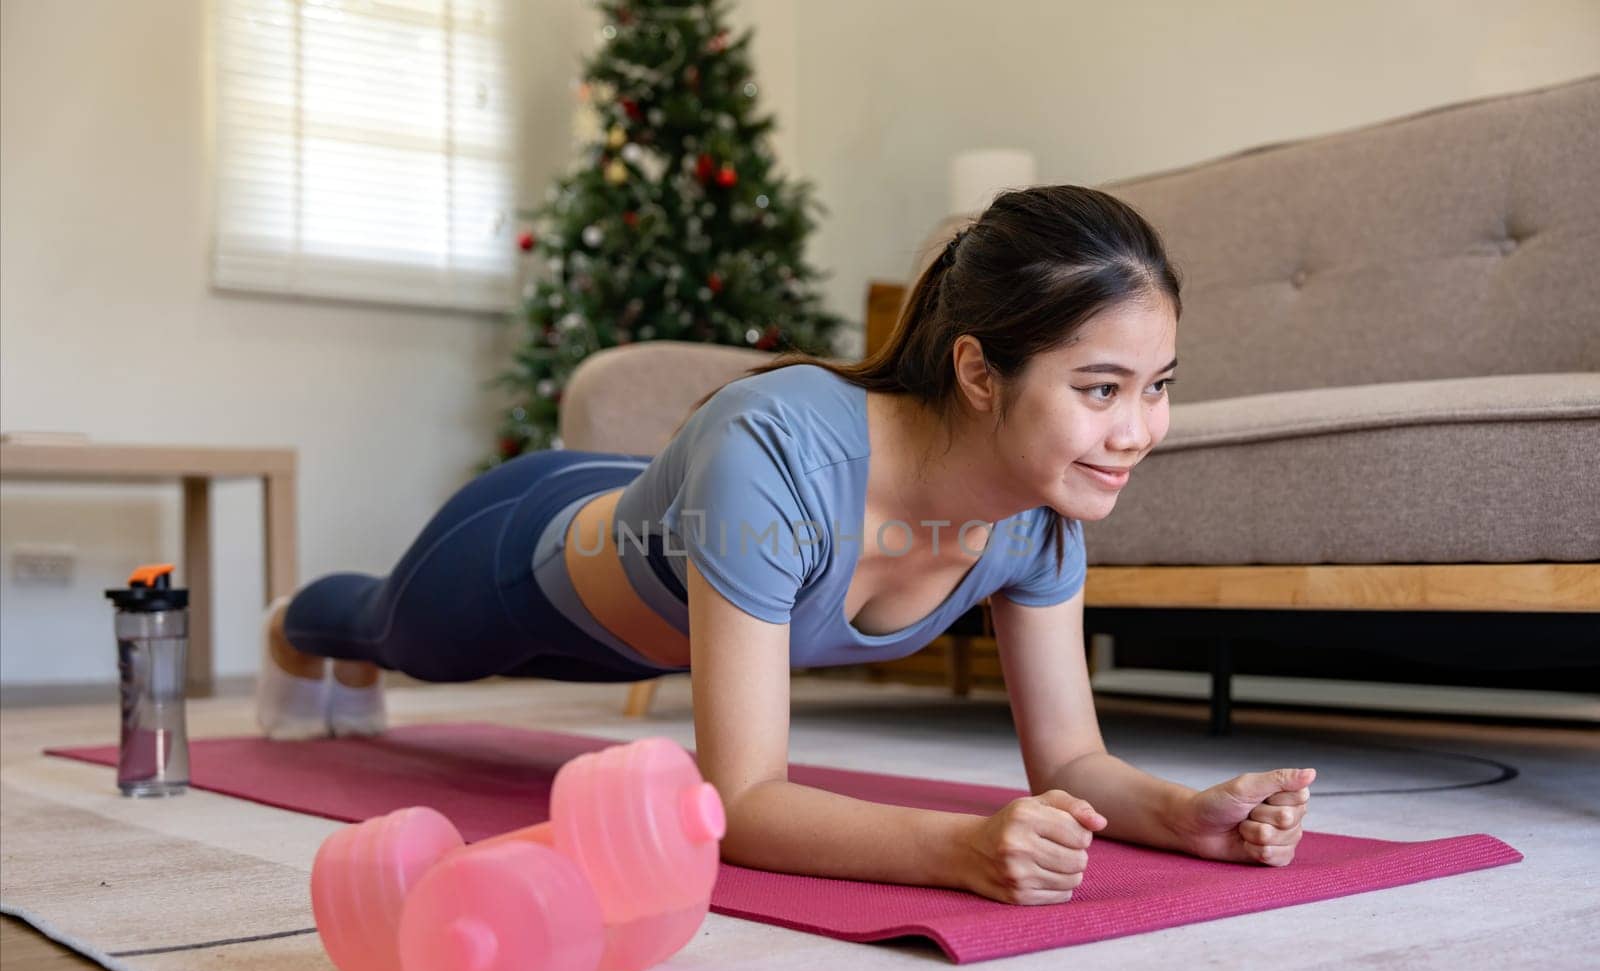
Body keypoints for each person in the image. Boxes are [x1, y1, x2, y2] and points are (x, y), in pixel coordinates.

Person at [255, 184, 1316, 906]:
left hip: (664, 606)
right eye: (1099, 389)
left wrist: (1186, 816)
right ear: (980, 371)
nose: (1138, 431)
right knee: (388, 629)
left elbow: (1072, 760)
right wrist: (958, 847)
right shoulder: (776, 448)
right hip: (523, 555)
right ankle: (293, 629)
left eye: (1157, 387)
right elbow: (744, 800)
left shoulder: (1042, 512)